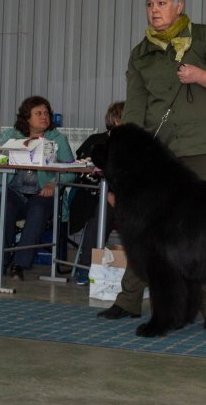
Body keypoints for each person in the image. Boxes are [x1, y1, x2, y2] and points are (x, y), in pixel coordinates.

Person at [97, 0, 206, 331]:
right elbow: (134, 108)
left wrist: (199, 75)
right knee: (142, 229)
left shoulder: (205, 37)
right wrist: (124, 162)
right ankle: (129, 301)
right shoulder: (141, 53)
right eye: (149, 4)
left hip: (205, 146)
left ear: (179, 6)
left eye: (161, 3)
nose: (154, 10)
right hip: (159, 153)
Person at [0, 96, 76, 280]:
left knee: (39, 208)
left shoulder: (58, 139)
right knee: (4, 204)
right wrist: (1, 151)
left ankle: (19, 264)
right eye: (38, 113)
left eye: (46, 113)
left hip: (42, 193)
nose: (44, 117)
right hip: (15, 192)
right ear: (27, 118)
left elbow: (72, 170)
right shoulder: (12, 134)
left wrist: (53, 183)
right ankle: (1, 260)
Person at [67, 101, 125, 285]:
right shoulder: (96, 142)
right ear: (116, 120)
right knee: (102, 210)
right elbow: (84, 173)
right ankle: (88, 267)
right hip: (95, 195)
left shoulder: (141, 145)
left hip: (130, 199)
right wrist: (108, 194)